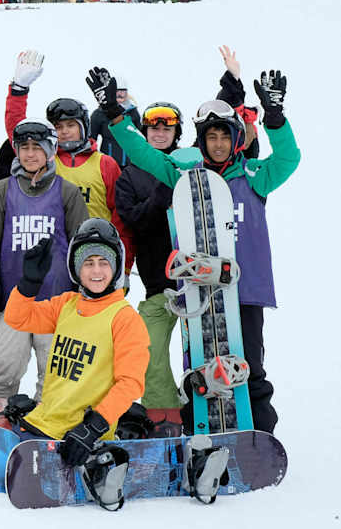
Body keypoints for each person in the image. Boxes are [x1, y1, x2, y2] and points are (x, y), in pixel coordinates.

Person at [93, 58, 300, 435]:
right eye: (211, 137)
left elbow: (289, 158)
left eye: (224, 137)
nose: (218, 144)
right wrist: (114, 115)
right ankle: (198, 433)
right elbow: (143, 154)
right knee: (202, 368)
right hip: (200, 292)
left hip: (245, 291)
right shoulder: (185, 177)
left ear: (235, 139)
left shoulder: (255, 176)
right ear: (201, 141)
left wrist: (274, 116)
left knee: (249, 365)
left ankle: (260, 436)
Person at [4, 219, 148, 467]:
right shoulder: (67, 305)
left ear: (116, 268)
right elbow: (18, 318)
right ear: (76, 268)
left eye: (104, 262)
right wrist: (28, 284)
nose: (96, 271)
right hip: (42, 424)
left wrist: (93, 427)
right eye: (88, 263)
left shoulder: (125, 318)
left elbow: (130, 384)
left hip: (79, 439)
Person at [0, 119, 89, 399]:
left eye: (37, 147)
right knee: (3, 367)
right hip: (13, 301)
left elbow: (82, 245)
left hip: (56, 303)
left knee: (55, 376)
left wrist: (84, 288)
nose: (29, 154)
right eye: (24, 147)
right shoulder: (3, 190)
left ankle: (49, 420)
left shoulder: (67, 192)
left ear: (51, 150)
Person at [114, 101, 184, 429]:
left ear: (176, 132)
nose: (159, 133)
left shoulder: (191, 163)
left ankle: (206, 413)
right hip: (159, 283)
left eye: (167, 128)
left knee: (204, 353)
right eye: (153, 128)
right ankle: (164, 417)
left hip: (201, 282)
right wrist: (160, 195)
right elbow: (133, 220)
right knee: (148, 351)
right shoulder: (130, 175)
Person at [5, 50, 125, 237]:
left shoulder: (105, 164)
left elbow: (120, 214)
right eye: (58, 127)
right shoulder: (44, 160)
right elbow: (17, 130)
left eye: (71, 125)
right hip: (53, 246)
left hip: (95, 248)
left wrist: (120, 252)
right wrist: (18, 90)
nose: (64, 131)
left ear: (83, 127)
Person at [88, 76, 141, 167]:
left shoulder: (133, 112)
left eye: (123, 91)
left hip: (129, 166)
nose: (120, 94)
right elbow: (91, 140)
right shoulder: (99, 114)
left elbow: (140, 138)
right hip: (108, 165)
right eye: (116, 91)